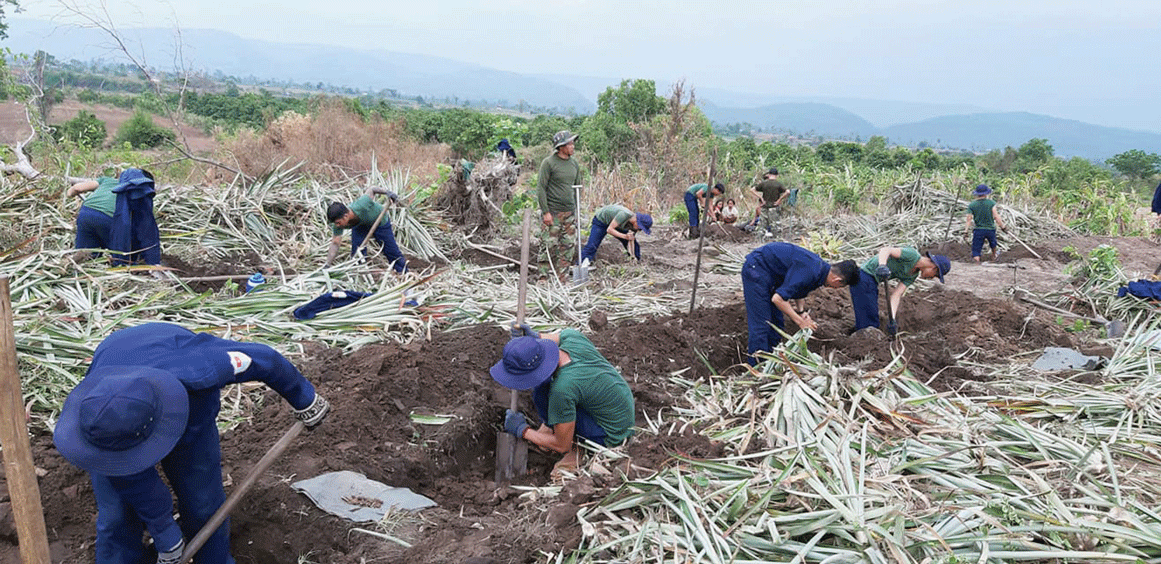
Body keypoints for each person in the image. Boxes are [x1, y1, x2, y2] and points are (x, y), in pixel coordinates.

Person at [52, 322, 330, 564]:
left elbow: (263, 358)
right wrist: (167, 537)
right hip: (116, 371)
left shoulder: (200, 370)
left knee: (202, 502)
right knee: (116, 516)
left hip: (184, 399)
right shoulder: (97, 418)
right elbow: (135, 483)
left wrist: (304, 397)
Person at [493, 324, 635, 472]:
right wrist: (534, 338)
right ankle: (554, 428)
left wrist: (523, 430)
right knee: (542, 389)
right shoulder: (572, 338)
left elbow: (562, 445)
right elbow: (551, 338)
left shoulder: (562, 390)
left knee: (547, 395)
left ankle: (581, 449)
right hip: (620, 403)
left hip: (612, 433)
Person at [742, 242, 860, 365]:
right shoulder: (811, 271)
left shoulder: (821, 270)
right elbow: (778, 299)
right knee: (762, 325)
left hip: (772, 275)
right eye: (838, 287)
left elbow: (799, 288)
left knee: (777, 324)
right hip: (757, 268)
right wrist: (800, 322)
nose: (835, 289)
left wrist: (801, 311)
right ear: (837, 280)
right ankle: (756, 368)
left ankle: (772, 361)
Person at [68, 168, 161, 266]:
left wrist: (69, 194)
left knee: (85, 257)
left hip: (86, 213)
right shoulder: (138, 191)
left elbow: (77, 188)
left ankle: (77, 271)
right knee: (123, 249)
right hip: (109, 218)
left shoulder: (106, 180)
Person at [850, 246, 951, 335]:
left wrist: (892, 319)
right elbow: (886, 250)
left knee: (869, 315)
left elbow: (896, 295)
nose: (931, 278)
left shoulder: (912, 275)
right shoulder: (912, 255)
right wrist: (882, 266)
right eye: (935, 275)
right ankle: (863, 343)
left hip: (873, 282)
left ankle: (859, 337)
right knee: (870, 319)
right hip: (864, 275)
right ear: (934, 268)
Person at [325, 185, 407, 273]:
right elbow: (335, 243)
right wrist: (327, 265)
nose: (337, 225)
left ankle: (403, 273)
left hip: (379, 220)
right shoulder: (338, 224)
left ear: (345, 216)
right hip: (360, 225)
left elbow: (372, 189)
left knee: (391, 250)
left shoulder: (361, 205)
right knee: (357, 252)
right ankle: (360, 274)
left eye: (338, 222)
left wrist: (387, 192)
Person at [537, 130, 584, 274]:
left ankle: (562, 278)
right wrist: (546, 212)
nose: (573, 146)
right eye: (570, 143)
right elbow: (541, 188)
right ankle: (543, 277)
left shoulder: (574, 164)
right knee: (548, 245)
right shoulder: (549, 163)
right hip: (553, 212)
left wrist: (575, 211)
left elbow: (578, 188)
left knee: (568, 246)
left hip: (569, 213)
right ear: (561, 146)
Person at [580, 205, 652, 265]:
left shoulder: (633, 224)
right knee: (592, 244)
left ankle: (636, 263)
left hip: (616, 223)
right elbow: (609, 230)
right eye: (640, 227)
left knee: (634, 244)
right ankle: (582, 264)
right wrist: (625, 236)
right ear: (637, 222)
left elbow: (630, 239)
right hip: (601, 221)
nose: (640, 230)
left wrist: (630, 243)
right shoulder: (624, 215)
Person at [965, 184, 1008, 262]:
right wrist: (1003, 226)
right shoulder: (991, 203)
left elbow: (969, 219)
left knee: (976, 250)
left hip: (978, 230)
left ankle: (977, 263)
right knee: (993, 244)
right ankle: (994, 256)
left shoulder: (972, 205)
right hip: (990, 229)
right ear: (986, 194)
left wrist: (966, 231)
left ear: (977, 194)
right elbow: (996, 216)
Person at [752, 168, 788, 238]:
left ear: (769, 175)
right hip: (774, 207)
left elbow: (752, 190)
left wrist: (761, 198)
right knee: (775, 225)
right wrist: (779, 200)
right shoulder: (778, 184)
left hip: (764, 206)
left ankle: (759, 241)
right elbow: (788, 192)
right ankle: (777, 239)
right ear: (776, 175)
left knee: (762, 225)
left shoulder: (764, 183)